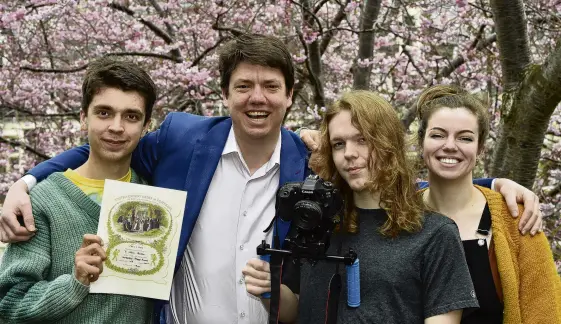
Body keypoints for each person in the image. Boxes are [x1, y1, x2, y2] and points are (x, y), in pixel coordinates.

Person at [0, 33, 542, 324]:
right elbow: (110, 143)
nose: (257, 98)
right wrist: (26, 178)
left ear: (289, 96)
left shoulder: (311, 164)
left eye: (270, 86)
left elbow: (384, 178)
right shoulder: (184, 138)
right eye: (243, 86)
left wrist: (492, 185)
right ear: (226, 93)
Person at [243, 90, 480, 323]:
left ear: (388, 143)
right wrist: (270, 289)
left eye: (362, 140)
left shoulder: (435, 234)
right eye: (338, 144)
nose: (349, 154)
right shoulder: (316, 224)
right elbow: (296, 309)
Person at [0, 57, 156, 323]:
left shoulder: (156, 202)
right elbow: (9, 302)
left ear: (147, 126)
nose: (116, 127)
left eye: (131, 116)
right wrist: (74, 282)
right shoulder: (41, 201)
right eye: (104, 113)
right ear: (84, 118)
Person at [415, 84, 561, 323]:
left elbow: (544, 311)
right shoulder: (397, 213)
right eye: (438, 135)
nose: (450, 145)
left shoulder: (516, 219)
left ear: (480, 148)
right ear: (422, 142)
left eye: (465, 138)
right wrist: (497, 182)